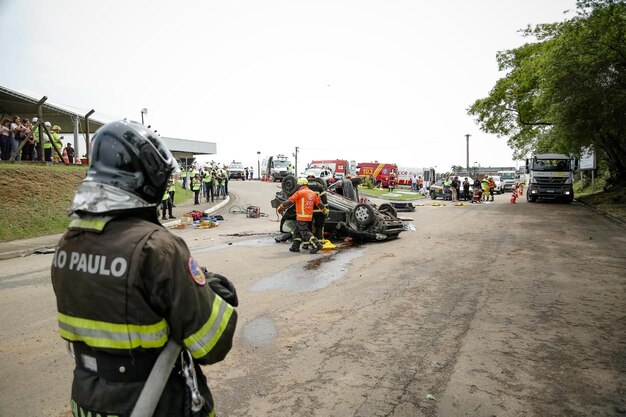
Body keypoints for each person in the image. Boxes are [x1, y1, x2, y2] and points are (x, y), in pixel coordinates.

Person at [50, 120, 237, 417]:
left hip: (87, 398)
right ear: (147, 178)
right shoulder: (157, 247)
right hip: (154, 400)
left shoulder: (67, 244)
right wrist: (210, 294)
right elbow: (212, 345)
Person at [277, 177, 327, 253]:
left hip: (301, 216)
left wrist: (280, 207)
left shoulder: (299, 193)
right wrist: (324, 210)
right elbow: (319, 203)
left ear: (300, 185)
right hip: (308, 216)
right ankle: (295, 247)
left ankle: (317, 245)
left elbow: (289, 201)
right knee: (297, 231)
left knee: (305, 232)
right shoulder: (312, 193)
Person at [305, 171, 328, 242]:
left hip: (308, 210)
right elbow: (324, 198)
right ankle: (320, 241)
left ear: (307, 177)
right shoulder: (319, 185)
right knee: (319, 226)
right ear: (314, 178)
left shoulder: (304, 186)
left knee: (308, 227)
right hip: (319, 210)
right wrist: (326, 208)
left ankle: (309, 242)